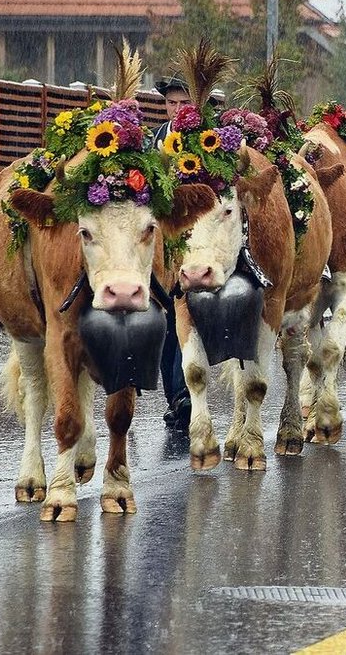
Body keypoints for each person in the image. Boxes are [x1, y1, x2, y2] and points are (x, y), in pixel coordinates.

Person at [151, 76, 192, 430]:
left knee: (185, 313)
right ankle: (174, 397)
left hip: (192, 238)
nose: (177, 109)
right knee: (166, 323)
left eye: (183, 103)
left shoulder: (202, 140)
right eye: (171, 103)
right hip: (162, 242)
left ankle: (184, 393)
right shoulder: (153, 140)